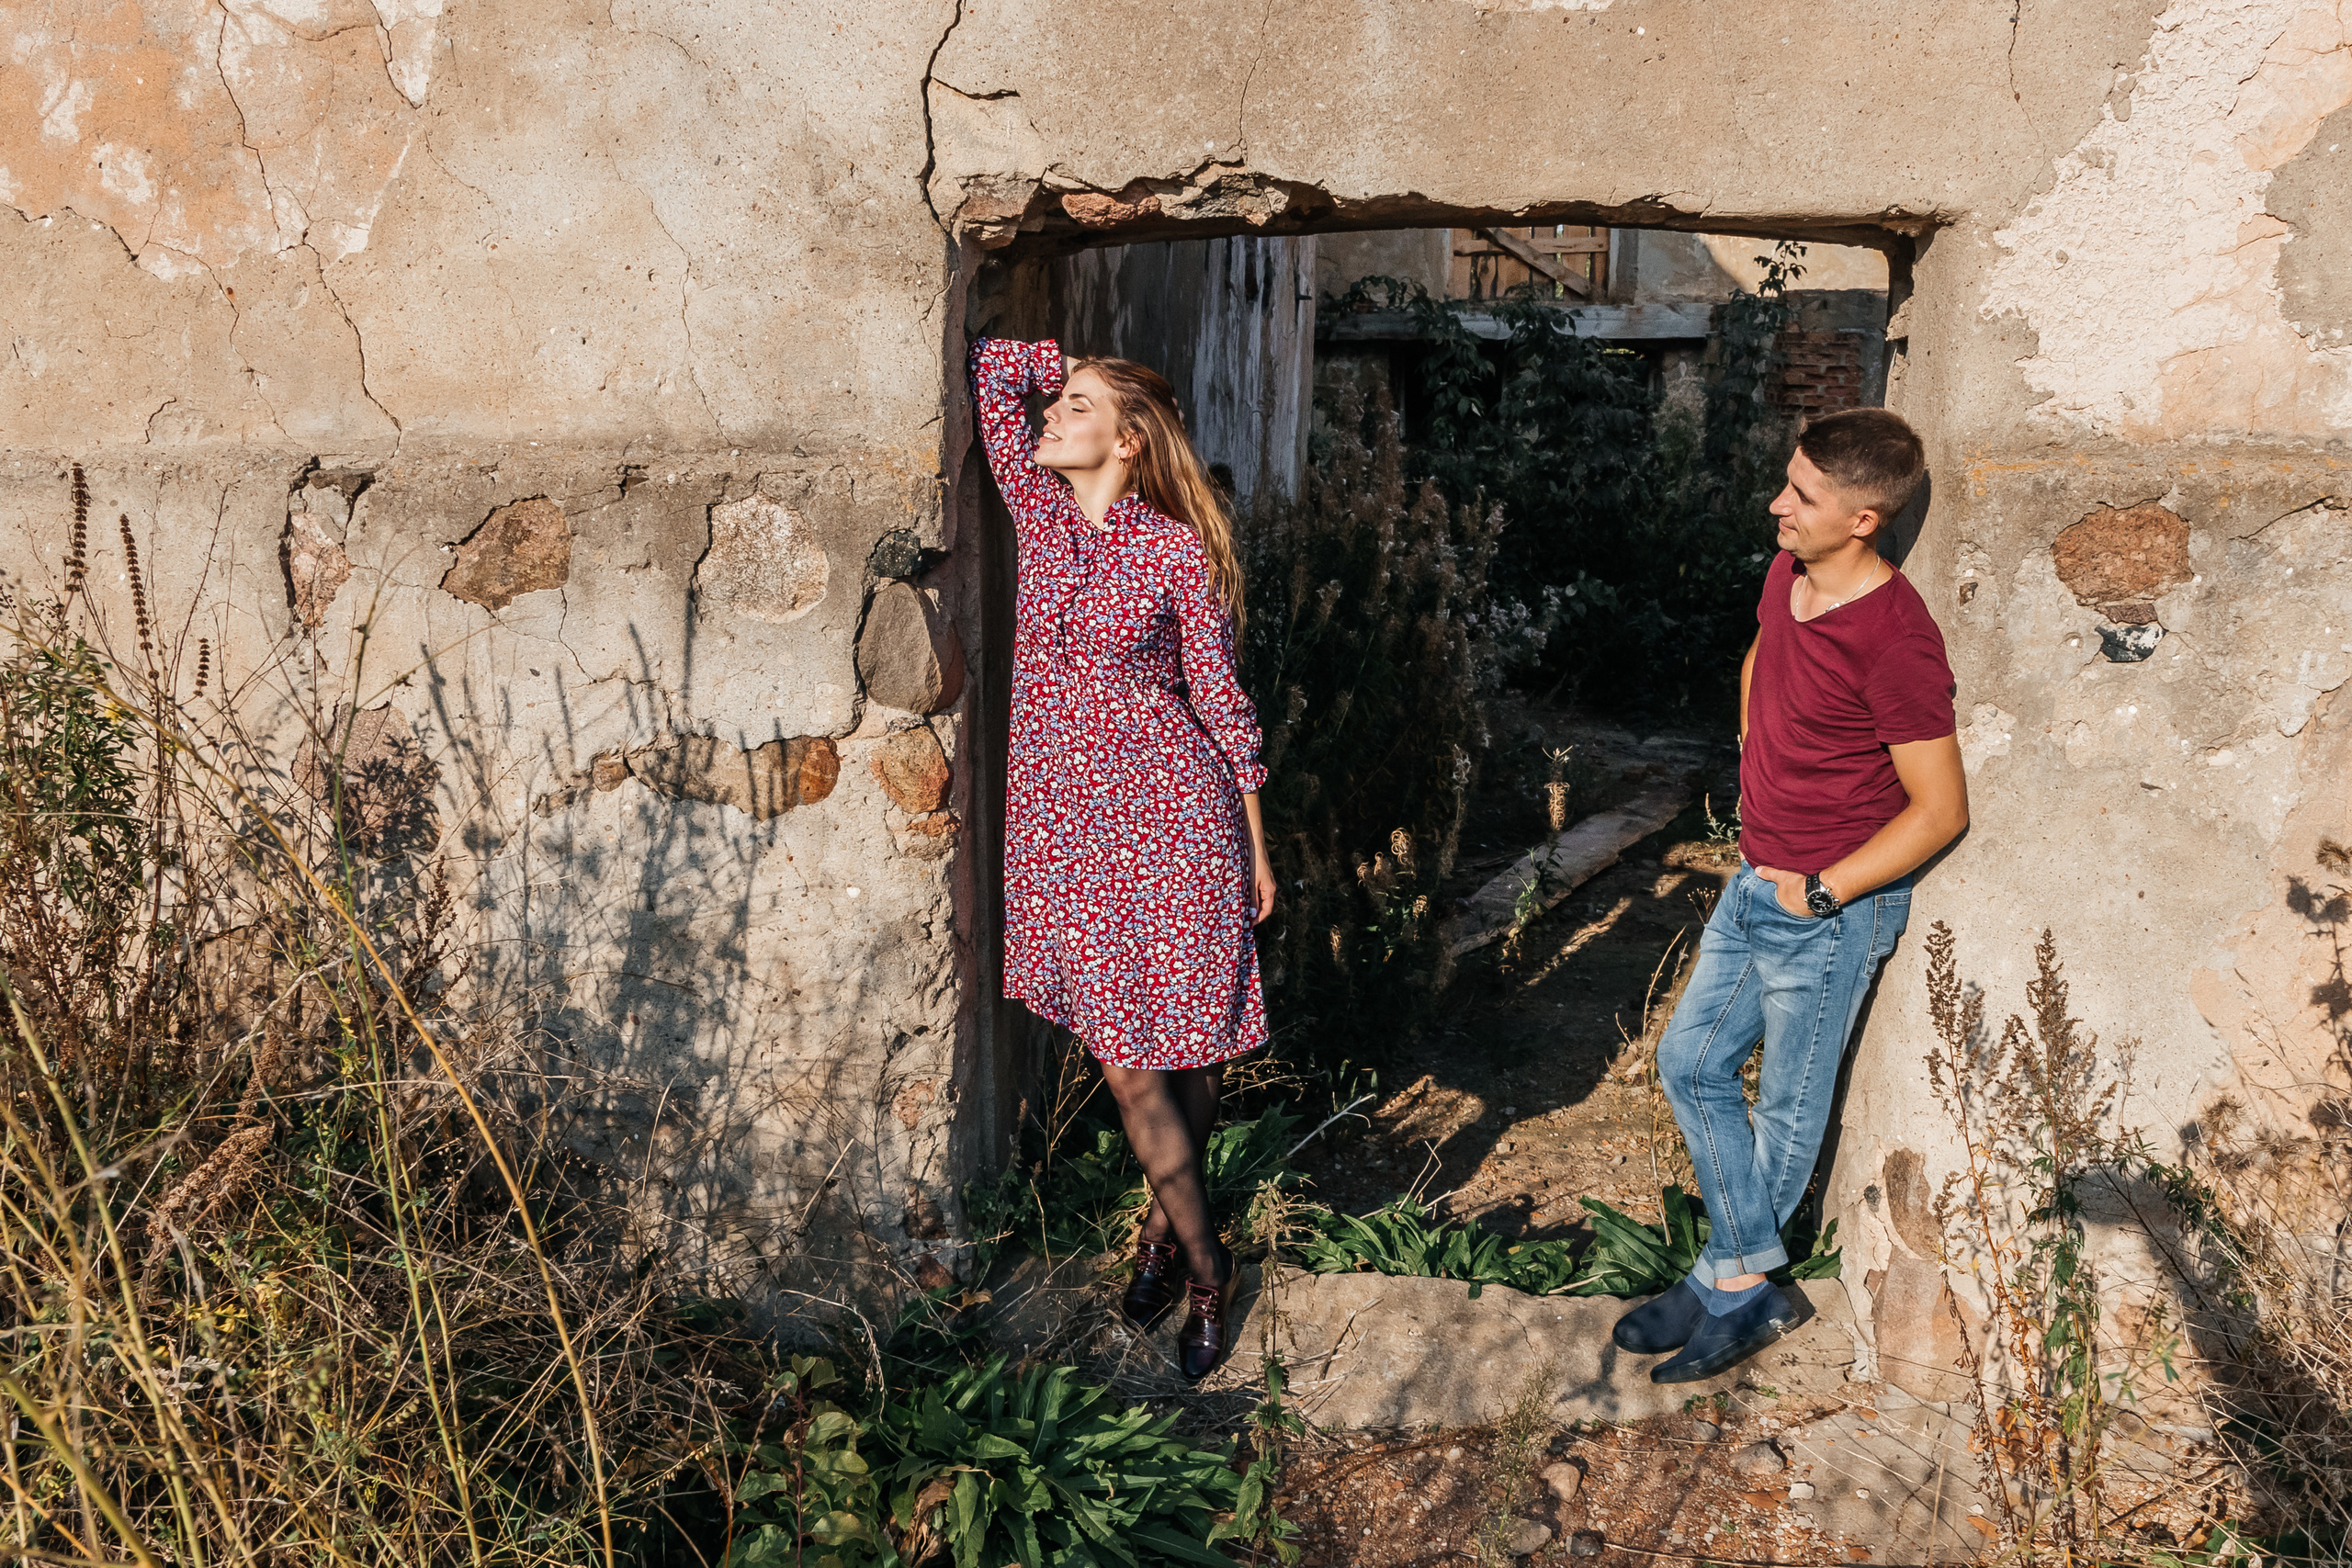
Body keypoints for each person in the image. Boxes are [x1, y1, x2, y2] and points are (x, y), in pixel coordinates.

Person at [1615, 407, 1968, 1383]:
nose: (1778, 504)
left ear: (1862, 519)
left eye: (1802, 495)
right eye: (1786, 481)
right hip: (1754, 878)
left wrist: (1824, 889)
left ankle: (1729, 1286)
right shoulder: (1790, 576)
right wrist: (1751, 766)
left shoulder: (1895, 639)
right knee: (1688, 1061)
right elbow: (1762, 653)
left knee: (1782, 1107)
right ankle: (1739, 1274)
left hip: (1828, 910)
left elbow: (1939, 810)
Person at [968, 337, 1276, 1381]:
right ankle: (1207, 1260)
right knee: (1128, 1059)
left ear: (1129, 440)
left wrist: (1253, 847)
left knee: (1183, 1053)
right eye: (1056, 404)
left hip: (1175, 819)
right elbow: (990, 372)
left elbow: (1221, 705)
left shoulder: (1174, 552)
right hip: (1066, 833)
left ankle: (1169, 1254)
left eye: (1080, 406)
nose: (1052, 415)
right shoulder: (1039, 515)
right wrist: (1064, 363)